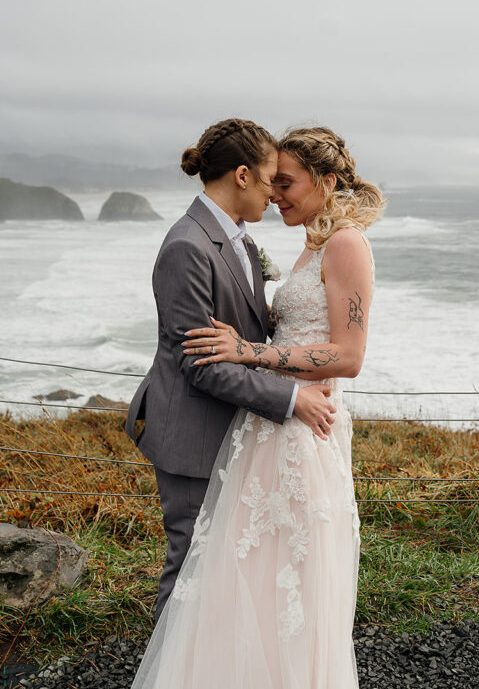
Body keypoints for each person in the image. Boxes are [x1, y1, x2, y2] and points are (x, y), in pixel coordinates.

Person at [99, 125, 386, 689]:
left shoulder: (342, 245)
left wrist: (256, 355)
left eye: (287, 182)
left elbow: (347, 356)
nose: (277, 193)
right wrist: (275, 382)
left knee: (289, 588)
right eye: (271, 180)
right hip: (266, 432)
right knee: (244, 585)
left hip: (301, 433)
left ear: (321, 183)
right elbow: (209, 352)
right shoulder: (290, 246)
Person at [124, 119, 337, 624]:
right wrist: (291, 399)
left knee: (226, 568)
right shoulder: (187, 248)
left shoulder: (238, 241)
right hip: (193, 434)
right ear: (242, 176)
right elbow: (202, 367)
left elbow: (244, 336)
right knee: (191, 567)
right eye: (270, 181)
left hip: (235, 432)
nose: (274, 194)